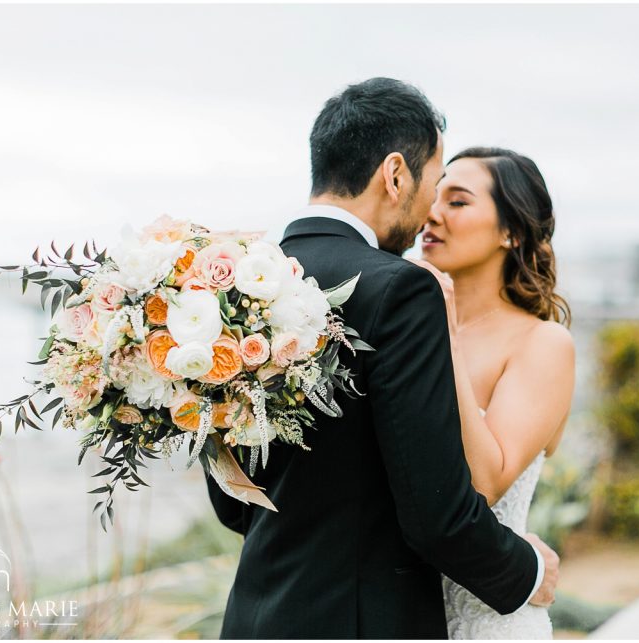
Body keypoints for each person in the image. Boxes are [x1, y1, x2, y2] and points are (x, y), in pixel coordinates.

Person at [205, 78, 560, 638]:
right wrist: (527, 570)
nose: (429, 215)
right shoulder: (400, 290)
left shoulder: (235, 287)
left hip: (256, 615)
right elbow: (436, 517)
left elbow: (233, 499)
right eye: (433, 186)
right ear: (395, 175)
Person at [417, 147, 575, 639]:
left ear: (511, 231)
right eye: (434, 195)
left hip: (489, 621)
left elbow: (483, 487)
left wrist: (445, 338)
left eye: (458, 202)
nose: (432, 213)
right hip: (399, 613)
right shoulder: (403, 332)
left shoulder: (543, 344)